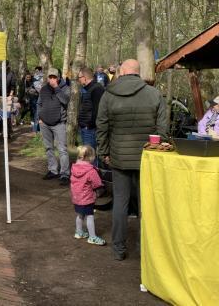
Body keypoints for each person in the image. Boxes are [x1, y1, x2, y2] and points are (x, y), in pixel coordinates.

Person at [96, 59, 167, 261]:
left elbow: (101, 126)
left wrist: (104, 152)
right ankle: (146, 249)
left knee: (120, 202)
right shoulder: (154, 93)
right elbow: (163, 129)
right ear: (137, 73)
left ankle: (119, 248)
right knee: (147, 204)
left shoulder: (108, 94)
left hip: (119, 157)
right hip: (148, 157)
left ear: (122, 71)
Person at [38, 68, 71, 185]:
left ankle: (65, 174)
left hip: (59, 123)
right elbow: (39, 103)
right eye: (50, 77)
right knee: (48, 148)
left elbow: (65, 101)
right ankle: (53, 170)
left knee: (62, 149)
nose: (52, 79)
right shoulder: (44, 89)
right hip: (45, 123)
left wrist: (56, 88)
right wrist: (39, 118)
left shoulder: (65, 88)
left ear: (58, 77)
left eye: (54, 77)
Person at [70, 145, 106, 246]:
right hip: (87, 198)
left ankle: (79, 232)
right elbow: (97, 183)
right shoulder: (91, 170)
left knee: (80, 215)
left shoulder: (74, 168)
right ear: (90, 157)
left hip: (77, 197)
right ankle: (92, 237)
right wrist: (101, 188)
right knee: (90, 216)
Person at [77, 67, 105, 155]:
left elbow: (98, 110)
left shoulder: (97, 88)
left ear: (84, 77)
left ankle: (93, 169)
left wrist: (90, 125)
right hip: (85, 127)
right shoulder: (87, 88)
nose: (79, 80)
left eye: (79, 78)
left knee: (90, 155)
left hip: (90, 129)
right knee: (87, 155)